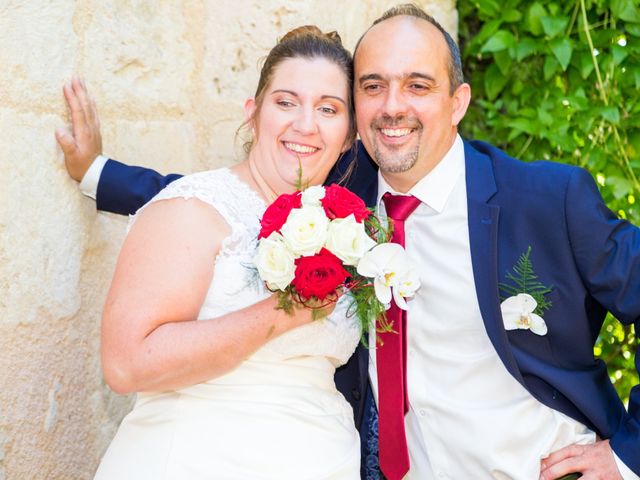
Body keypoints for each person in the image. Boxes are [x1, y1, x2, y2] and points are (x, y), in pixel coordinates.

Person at [58, 4, 640, 480]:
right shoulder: (337, 200)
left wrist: (627, 457)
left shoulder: (545, 199)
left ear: (457, 102)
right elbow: (222, 203)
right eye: (373, 86)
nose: (393, 106)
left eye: (418, 85)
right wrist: (96, 172)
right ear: (358, 111)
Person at [70, 26, 365, 479]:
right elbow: (126, 364)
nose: (306, 123)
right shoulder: (193, 208)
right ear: (253, 114)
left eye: (328, 108)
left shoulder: (349, 231)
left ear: (349, 136)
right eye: (286, 102)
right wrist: (283, 313)